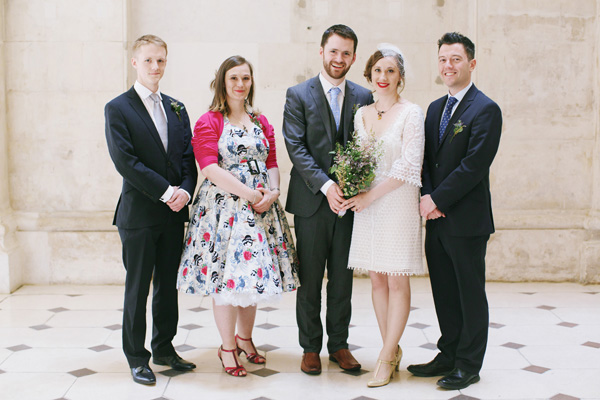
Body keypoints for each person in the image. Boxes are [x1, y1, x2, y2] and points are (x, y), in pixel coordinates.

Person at [177, 55, 299, 377]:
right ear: (222, 82)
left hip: (261, 209)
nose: (240, 84)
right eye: (234, 78)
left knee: (251, 278)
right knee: (227, 280)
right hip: (223, 213)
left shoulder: (261, 121)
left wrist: (272, 192)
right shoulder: (209, 121)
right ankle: (226, 347)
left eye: (245, 78)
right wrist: (249, 194)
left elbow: (272, 161)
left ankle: (244, 338)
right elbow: (209, 167)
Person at [408, 32, 503, 390]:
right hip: (436, 217)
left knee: (469, 293)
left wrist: (437, 200)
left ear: (471, 64)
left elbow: (474, 166)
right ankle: (448, 353)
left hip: (466, 221)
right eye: (443, 60)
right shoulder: (434, 108)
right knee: (444, 292)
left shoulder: (485, 109)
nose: (449, 66)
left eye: (456, 59)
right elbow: (427, 161)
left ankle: (468, 363)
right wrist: (428, 196)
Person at [104, 34, 198, 385]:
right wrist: (166, 191)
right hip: (139, 215)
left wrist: (185, 192)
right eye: (148, 60)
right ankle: (136, 357)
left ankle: (164, 348)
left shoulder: (177, 107)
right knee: (138, 287)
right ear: (135, 62)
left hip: (174, 213)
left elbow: (189, 160)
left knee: (167, 287)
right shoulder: (118, 107)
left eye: (160, 60)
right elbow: (125, 161)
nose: (155, 66)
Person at [282, 24, 374, 375]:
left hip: (349, 205)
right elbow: (296, 147)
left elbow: (366, 149)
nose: (339, 58)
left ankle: (339, 344)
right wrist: (326, 186)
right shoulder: (298, 94)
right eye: (333, 51)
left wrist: (352, 188)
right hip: (311, 201)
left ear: (353, 56)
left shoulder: (363, 97)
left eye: (346, 53)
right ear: (321, 52)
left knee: (342, 279)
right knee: (309, 281)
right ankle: (310, 348)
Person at [341, 45, 424, 388]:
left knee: (396, 278)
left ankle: (386, 357)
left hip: (397, 200)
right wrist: (351, 184)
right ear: (369, 75)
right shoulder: (362, 114)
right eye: (378, 70)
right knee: (376, 278)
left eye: (390, 71)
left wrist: (370, 195)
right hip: (367, 203)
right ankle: (392, 347)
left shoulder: (412, 113)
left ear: (400, 76)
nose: (383, 77)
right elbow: (359, 157)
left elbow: (409, 165)